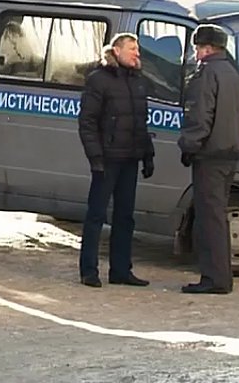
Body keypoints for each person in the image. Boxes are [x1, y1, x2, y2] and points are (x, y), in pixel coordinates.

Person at [77, 33, 155, 288]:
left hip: (130, 158)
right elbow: (87, 122)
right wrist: (95, 157)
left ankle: (121, 270)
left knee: (125, 217)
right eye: (132, 49)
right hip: (107, 159)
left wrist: (148, 154)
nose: (137, 54)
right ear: (117, 51)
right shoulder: (99, 79)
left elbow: (141, 123)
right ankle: (89, 270)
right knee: (96, 215)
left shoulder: (138, 81)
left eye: (138, 49)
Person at [178, 24, 239, 295]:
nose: (196, 53)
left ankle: (214, 278)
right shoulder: (234, 74)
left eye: (198, 48)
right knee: (218, 216)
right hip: (230, 153)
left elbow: (200, 116)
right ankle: (220, 276)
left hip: (210, 155)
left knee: (209, 219)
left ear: (207, 49)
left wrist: (189, 146)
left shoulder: (207, 75)